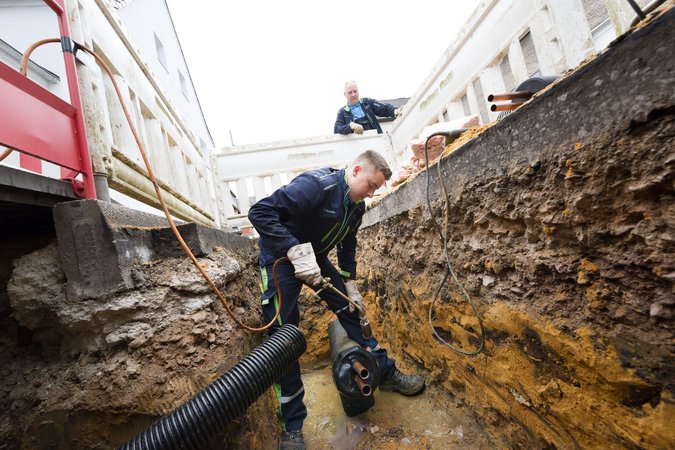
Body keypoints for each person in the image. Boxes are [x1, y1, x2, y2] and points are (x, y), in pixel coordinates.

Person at [248, 150, 426, 450]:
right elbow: (259, 212)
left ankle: (385, 372)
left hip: (314, 258)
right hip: (279, 259)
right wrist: (293, 249)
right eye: (371, 185)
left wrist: (350, 283)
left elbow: (347, 247)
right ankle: (292, 427)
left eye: (377, 189)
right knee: (285, 339)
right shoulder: (318, 186)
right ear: (356, 170)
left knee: (352, 313)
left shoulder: (356, 206)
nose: (372, 192)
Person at [334, 80, 402, 135]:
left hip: (375, 139)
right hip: (357, 146)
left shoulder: (367, 102)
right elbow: (337, 129)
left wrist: (394, 111)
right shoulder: (342, 112)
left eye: (355, 91)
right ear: (345, 94)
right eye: (350, 92)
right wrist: (350, 126)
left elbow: (383, 108)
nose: (353, 94)